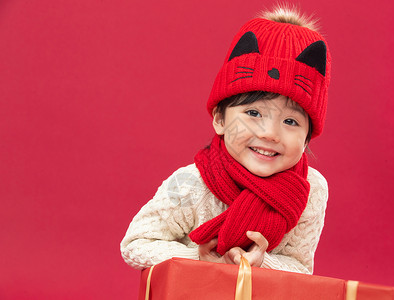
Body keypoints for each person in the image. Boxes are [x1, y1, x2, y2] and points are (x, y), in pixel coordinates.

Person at [120, 4, 331, 274]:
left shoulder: (310, 189)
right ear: (220, 119)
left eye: (290, 121)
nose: (269, 133)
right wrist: (200, 259)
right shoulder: (190, 184)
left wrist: (261, 263)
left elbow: (300, 267)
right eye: (253, 113)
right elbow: (136, 243)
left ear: (307, 138)